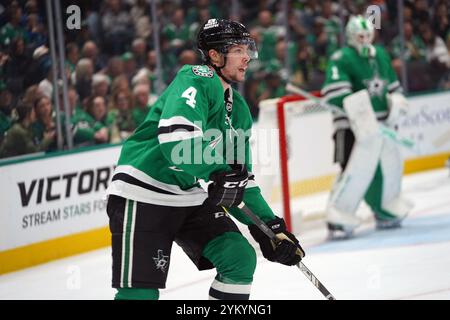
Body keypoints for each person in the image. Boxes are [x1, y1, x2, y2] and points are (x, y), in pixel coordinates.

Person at [105, 18, 304, 300]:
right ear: (214, 55)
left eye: (248, 49)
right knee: (141, 293)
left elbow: (240, 181)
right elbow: (176, 141)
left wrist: (268, 228)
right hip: (143, 191)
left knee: (239, 258)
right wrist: (218, 172)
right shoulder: (196, 77)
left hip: (187, 194)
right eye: (238, 49)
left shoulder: (240, 111)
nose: (247, 56)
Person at [321, 15, 414, 240]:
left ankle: (384, 208)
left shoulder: (380, 54)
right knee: (352, 170)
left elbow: (393, 87)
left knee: (386, 169)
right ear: (351, 36)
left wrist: (396, 104)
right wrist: (359, 113)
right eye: (359, 36)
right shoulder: (340, 58)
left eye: (367, 35)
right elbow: (335, 93)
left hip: (381, 125)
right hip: (352, 128)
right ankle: (339, 215)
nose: (364, 40)